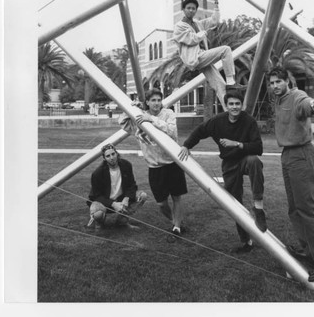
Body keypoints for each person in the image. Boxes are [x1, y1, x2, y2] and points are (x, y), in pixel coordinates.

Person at [268, 67, 314, 282]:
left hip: (301, 154)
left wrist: (313, 105)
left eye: (279, 81)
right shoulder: (278, 100)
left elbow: (306, 105)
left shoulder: (297, 95)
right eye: (272, 83)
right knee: (294, 208)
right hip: (287, 155)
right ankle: (307, 248)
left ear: (288, 81)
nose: (275, 86)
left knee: (308, 208)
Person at [179, 90, 267, 253]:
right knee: (234, 203)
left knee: (254, 161)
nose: (234, 107)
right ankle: (246, 241)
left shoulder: (249, 121)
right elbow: (199, 131)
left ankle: (258, 207)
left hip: (244, 159)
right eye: (231, 104)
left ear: (242, 105)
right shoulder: (217, 121)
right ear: (226, 106)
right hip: (229, 164)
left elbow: (258, 147)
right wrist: (186, 145)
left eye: (237, 104)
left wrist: (237, 144)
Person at [118, 88, 188, 238]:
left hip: (172, 164)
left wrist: (152, 120)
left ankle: (176, 228)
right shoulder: (139, 117)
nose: (156, 103)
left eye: (158, 100)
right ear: (147, 102)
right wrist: (132, 108)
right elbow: (122, 122)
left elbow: (172, 132)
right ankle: (175, 221)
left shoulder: (168, 113)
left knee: (177, 197)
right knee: (161, 204)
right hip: (155, 168)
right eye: (153, 100)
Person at [173, 0, 245, 111]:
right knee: (226, 50)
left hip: (202, 57)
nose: (191, 10)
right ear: (184, 9)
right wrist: (202, 34)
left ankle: (228, 111)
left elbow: (214, 21)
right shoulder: (179, 26)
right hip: (196, 57)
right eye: (188, 8)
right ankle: (231, 81)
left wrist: (216, 3)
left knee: (220, 85)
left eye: (193, 8)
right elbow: (190, 39)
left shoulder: (197, 24)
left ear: (196, 10)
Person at [86, 143, 147, 229]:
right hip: (105, 201)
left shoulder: (126, 165)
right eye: (108, 156)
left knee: (142, 196)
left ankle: (122, 221)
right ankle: (99, 223)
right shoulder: (98, 173)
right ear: (104, 158)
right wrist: (113, 204)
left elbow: (132, 185)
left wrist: (127, 198)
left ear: (116, 153)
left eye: (113, 154)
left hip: (121, 199)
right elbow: (96, 196)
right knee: (98, 214)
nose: (111, 158)